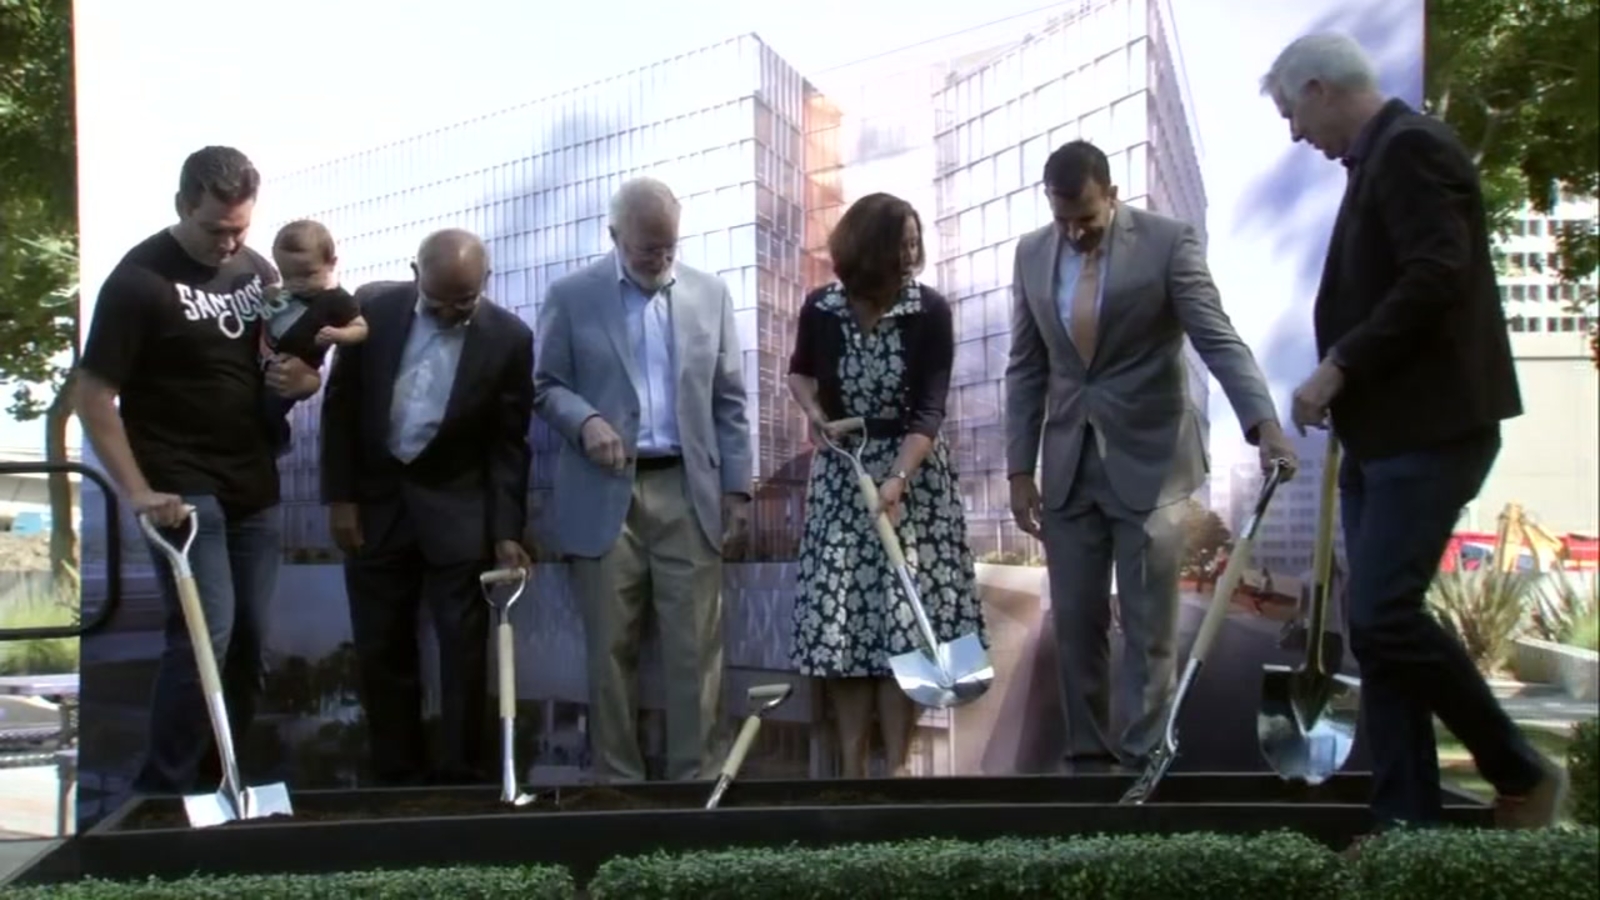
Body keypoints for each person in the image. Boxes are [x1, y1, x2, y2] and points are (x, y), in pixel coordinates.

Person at [1262, 32, 1565, 835]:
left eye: (1294, 114)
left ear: (1321, 89)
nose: (1296, 134)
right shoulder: (1379, 159)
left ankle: (1521, 770)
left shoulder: (1412, 149)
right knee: (1377, 634)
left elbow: (1436, 273)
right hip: (1384, 437)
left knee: (1385, 616)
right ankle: (1406, 827)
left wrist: (1341, 365)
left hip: (1432, 429)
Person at [1005, 140, 1298, 772]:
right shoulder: (1030, 254)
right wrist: (1018, 470)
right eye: (1062, 219)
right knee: (1075, 624)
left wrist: (1264, 424)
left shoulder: (1168, 243)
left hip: (1152, 463)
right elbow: (1025, 366)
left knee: (1149, 631)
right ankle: (1088, 762)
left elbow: (1217, 338)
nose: (1074, 232)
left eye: (1086, 218)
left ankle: (1144, 766)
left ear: (1112, 195)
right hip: (1067, 467)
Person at [72, 145, 322, 794]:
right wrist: (137, 492)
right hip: (179, 485)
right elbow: (93, 395)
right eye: (215, 229)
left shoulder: (256, 270)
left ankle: (218, 785)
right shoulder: (139, 281)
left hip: (253, 480)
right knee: (206, 635)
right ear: (183, 206)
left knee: (250, 642)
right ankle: (162, 791)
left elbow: (287, 360)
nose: (228, 242)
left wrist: (304, 380)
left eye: (240, 228)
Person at [533, 176, 752, 783]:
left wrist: (737, 490)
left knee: (696, 648)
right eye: (645, 249)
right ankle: (618, 787)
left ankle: (699, 783)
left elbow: (729, 401)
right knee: (609, 650)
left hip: (688, 487)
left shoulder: (711, 294)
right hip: (605, 490)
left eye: (668, 247)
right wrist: (586, 422)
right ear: (614, 236)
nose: (659, 260)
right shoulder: (570, 296)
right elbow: (546, 386)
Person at [319, 228, 535, 786]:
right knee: (381, 647)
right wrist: (340, 497)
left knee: (463, 652)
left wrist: (507, 530)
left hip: (458, 513)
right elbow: (340, 407)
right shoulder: (371, 310)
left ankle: (462, 777)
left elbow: (508, 443)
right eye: (439, 302)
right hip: (375, 507)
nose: (451, 313)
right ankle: (395, 778)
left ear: (485, 282)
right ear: (416, 275)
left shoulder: (509, 338)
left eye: (465, 301)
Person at [786, 192, 986, 778]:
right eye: (899, 246)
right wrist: (814, 412)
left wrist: (898, 478)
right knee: (846, 621)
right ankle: (852, 772)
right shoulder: (820, 307)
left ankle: (895, 773)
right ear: (866, 250)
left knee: (906, 622)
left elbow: (929, 409)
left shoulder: (930, 311)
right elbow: (800, 372)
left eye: (914, 245)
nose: (909, 257)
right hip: (842, 477)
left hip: (913, 481)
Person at [259, 219, 367, 454]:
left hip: (298, 368)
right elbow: (265, 314)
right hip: (270, 358)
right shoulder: (287, 294)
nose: (298, 283)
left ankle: (277, 440)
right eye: (288, 276)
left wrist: (339, 334)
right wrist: (271, 295)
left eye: (308, 274)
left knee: (270, 408)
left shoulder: (337, 299)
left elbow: (360, 328)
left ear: (331, 263)